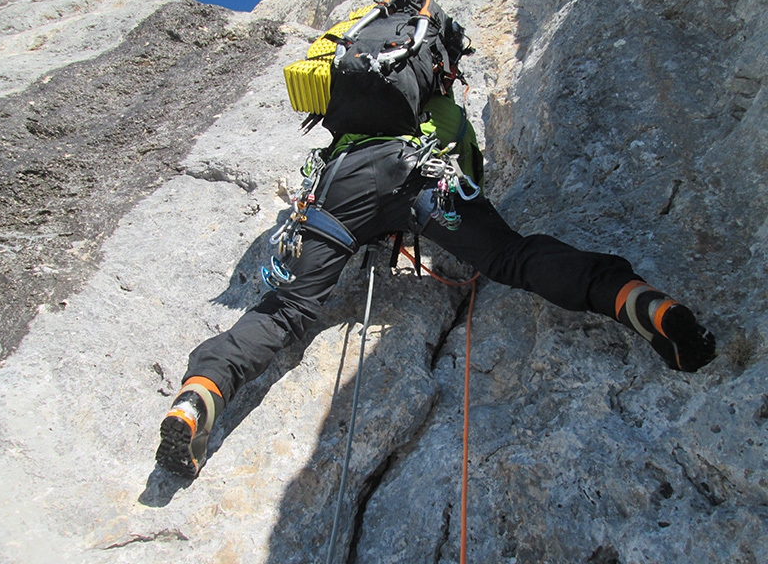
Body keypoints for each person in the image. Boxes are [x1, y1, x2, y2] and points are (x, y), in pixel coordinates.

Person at [154, 90, 716, 478]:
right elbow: (468, 171)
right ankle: (639, 303)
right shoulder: (440, 104)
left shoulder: (351, 116)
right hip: (417, 174)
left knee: (286, 310)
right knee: (511, 257)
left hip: (338, 187)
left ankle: (199, 394)